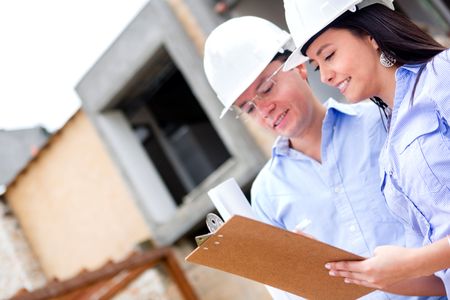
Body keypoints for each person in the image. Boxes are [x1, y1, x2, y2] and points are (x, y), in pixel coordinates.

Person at [203, 15, 445, 299]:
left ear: (301, 69)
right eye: (249, 108)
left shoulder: (385, 121)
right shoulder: (267, 196)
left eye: (267, 88)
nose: (265, 109)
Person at [282, 0, 450, 295]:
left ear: (370, 36)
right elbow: (438, 280)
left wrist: (415, 261)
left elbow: (423, 261)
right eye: (317, 65)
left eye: (329, 55)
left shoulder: (442, 75)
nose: (325, 76)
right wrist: (345, 267)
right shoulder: (389, 148)